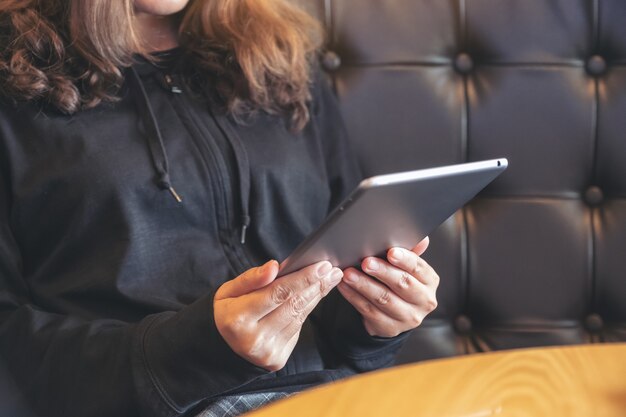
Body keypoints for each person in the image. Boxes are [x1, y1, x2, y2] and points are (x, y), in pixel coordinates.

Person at [0, 1, 440, 416]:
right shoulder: (11, 75)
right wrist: (190, 350)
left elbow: (340, 260)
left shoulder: (281, 54)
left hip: (334, 396)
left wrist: (375, 320)